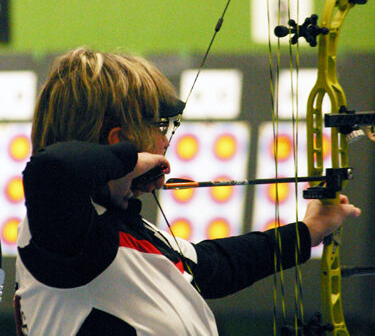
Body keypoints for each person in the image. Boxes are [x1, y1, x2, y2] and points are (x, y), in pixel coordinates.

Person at [15, 48, 361, 336]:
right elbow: (52, 169)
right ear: (119, 140)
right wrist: (130, 161)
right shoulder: (60, 234)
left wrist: (308, 231)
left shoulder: (122, 228)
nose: (166, 141)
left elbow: (216, 265)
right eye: (159, 125)